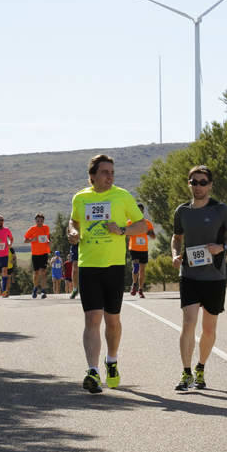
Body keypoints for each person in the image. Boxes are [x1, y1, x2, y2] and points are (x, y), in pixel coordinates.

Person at [67, 155, 146, 394]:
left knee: (112, 321)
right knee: (92, 319)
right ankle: (92, 370)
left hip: (113, 266)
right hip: (89, 265)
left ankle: (111, 361)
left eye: (112, 172)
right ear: (92, 176)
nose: (109, 176)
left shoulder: (122, 196)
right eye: (104, 172)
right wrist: (72, 231)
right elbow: (73, 221)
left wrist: (122, 229)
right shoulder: (81, 198)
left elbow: (142, 225)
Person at [171, 165, 227, 391]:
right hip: (189, 274)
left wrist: (221, 247)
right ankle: (186, 372)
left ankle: (200, 366)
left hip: (214, 276)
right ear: (189, 184)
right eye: (194, 182)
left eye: (202, 182)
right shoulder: (182, 211)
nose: (198, 186)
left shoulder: (221, 210)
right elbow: (176, 237)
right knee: (188, 323)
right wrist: (174, 255)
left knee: (209, 328)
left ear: (210, 185)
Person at [128, 203, 155, 298]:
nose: (139, 212)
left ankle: (140, 289)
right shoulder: (130, 222)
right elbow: (125, 233)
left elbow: (153, 236)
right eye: (137, 210)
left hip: (144, 249)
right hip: (134, 248)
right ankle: (134, 284)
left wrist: (148, 232)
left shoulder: (147, 223)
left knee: (142, 270)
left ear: (143, 211)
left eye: (141, 210)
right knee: (135, 267)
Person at [24, 213, 51, 299]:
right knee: (36, 273)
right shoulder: (32, 229)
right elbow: (25, 241)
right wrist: (32, 239)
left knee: (43, 272)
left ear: (43, 221)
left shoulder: (46, 228)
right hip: (35, 254)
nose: (39, 222)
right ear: (35, 221)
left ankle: (43, 291)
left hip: (44, 253)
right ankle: (35, 288)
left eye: (41, 220)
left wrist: (48, 241)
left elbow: (47, 238)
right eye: (38, 220)